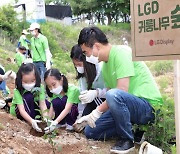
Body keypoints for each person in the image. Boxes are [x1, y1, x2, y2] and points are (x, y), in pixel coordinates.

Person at [74, 27, 163, 153]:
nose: (86, 57)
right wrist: (91, 116)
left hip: (147, 107)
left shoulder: (122, 52)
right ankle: (132, 129)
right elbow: (112, 91)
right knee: (91, 131)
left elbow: (120, 90)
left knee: (113, 94)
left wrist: (97, 111)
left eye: (86, 52)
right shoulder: (105, 66)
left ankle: (127, 140)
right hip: (128, 107)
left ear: (96, 47)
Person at [10, 63, 48, 133]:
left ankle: (39, 120)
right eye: (25, 82)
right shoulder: (17, 91)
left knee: (47, 103)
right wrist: (31, 121)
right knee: (29, 96)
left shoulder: (40, 87)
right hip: (19, 112)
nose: (29, 84)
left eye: (33, 81)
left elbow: (43, 104)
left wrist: (46, 119)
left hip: (31, 107)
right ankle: (31, 120)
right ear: (20, 80)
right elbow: (21, 110)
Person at [70, 44, 107, 117]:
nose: (78, 67)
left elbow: (114, 90)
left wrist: (97, 93)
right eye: (75, 65)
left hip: (107, 101)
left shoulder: (102, 69)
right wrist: (80, 114)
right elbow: (83, 95)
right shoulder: (82, 76)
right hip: (93, 102)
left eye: (79, 64)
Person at [44, 68, 79, 132]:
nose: (52, 88)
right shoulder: (55, 93)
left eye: (54, 84)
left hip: (76, 112)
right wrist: (48, 122)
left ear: (61, 80)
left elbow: (67, 109)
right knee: (56, 101)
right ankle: (62, 123)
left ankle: (70, 123)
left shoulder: (72, 90)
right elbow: (52, 107)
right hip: (64, 113)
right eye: (49, 86)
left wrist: (55, 122)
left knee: (64, 100)